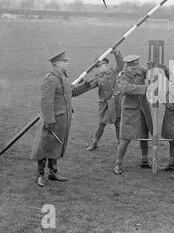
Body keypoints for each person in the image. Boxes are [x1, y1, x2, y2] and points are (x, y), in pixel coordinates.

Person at [31, 51, 91, 187]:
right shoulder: (50, 79)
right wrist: (50, 121)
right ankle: (40, 175)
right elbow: (46, 102)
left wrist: (87, 85)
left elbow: (71, 92)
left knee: (56, 145)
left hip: (63, 120)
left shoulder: (63, 78)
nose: (68, 63)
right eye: (65, 61)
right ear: (57, 64)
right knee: (44, 146)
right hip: (52, 120)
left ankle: (53, 173)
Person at [113, 54, 153, 175]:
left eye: (138, 64)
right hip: (130, 111)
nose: (138, 67)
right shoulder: (122, 76)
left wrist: (152, 69)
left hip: (143, 109)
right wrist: (145, 88)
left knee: (144, 135)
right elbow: (126, 88)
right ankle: (118, 164)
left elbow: (149, 74)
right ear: (129, 66)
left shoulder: (140, 70)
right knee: (125, 138)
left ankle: (144, 159)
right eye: (136, 65)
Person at [85, 49, 124, 151]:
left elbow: (120, 64)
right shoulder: (98, 78)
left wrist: (116, 54)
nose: (100, 68)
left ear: (106, 65)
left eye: (101, 66)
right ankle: (94, 143)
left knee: (118, 123)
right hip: (104, 104)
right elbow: (88, 86)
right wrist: (79, 85)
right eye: (98, 67)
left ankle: (119, 143)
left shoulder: (114, 72)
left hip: (115, 103)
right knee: (101, 124)